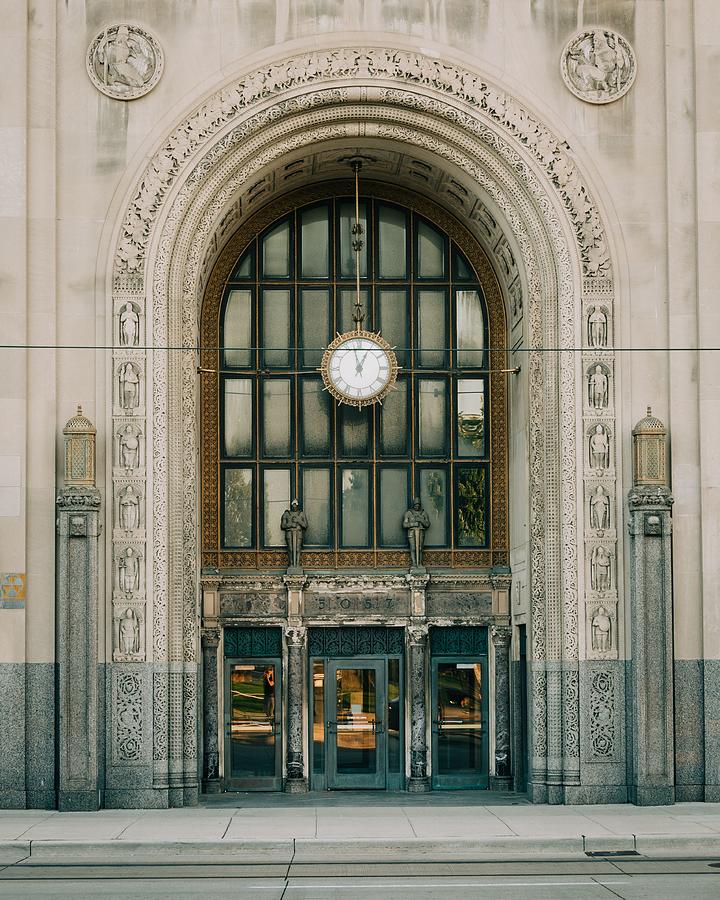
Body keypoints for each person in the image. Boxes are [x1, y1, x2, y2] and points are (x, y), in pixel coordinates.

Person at [403, 497, 430, 571]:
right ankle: (414, 563)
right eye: (415, 505)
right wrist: (413, 524)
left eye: (418, 505)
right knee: (413, 548)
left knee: (420, 548)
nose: (417, 507)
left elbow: (427, 524)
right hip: (411, 532)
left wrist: (421, 520)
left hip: (421, 532)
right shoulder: (408, 513)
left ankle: (420, 563)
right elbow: (405, 524)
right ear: (413, 505)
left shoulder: (423, 513)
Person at [281, 499, 308, 571]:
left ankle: (297, 564)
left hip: (298, 533)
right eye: (293, 505)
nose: (294, 506)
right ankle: (291, 564)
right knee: (290, 549)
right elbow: (283, 526)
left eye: (296, 505)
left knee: (298, 548)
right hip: (289, 533)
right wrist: (290, 525)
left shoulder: (301, 514)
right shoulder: (286, 514)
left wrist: (299, 520)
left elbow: (305, 525)